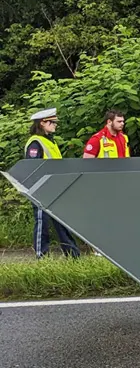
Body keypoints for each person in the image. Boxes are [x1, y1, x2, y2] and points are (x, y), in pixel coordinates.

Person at [25, 108, 80, 258]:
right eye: (53, 122)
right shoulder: (36, 143)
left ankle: (73, 255)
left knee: (62, 222)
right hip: (41, 189)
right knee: (42, 223)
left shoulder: (50, 141)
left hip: (55, 188)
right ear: (42, 123)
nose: (55, 125)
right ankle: (41, 256)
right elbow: (33, 168)